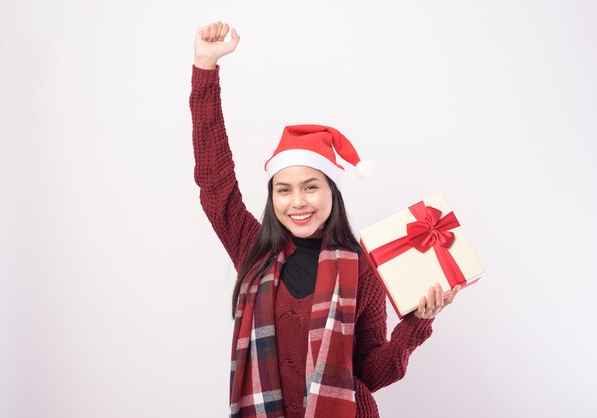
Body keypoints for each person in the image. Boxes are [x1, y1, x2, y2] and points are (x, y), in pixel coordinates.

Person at [189, 21, 460, 418]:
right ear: (273, 197)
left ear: (332, 190)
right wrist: (205, 70)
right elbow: (215, 185)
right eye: (284, 189)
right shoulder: (253, 248)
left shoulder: (362, 267)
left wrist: (416, 325)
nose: (298, 202)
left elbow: (369, 372)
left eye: (311, 186)